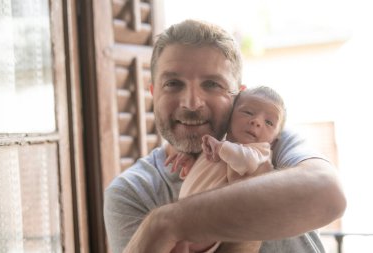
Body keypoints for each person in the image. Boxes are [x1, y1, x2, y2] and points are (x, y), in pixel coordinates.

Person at [104, 19, 346, 253]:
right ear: (153, 93)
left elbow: (330, 195)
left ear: (238, 96)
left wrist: (165, 223)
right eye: (173, 84)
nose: (191, 103)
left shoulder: (269, 140)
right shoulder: (134, 191)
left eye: (211, 84)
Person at [165, 86, 287, 253]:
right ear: (230, 116)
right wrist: (190, 165)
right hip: (185, 213)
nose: (257, 121)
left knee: (179, 244)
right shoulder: (218, 144)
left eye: (269, 122)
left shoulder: (259, 152)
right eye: (248, 113)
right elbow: (206, 176)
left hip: (209, 226)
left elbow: (246, 162)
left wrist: (220, 147)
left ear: (274, 139)